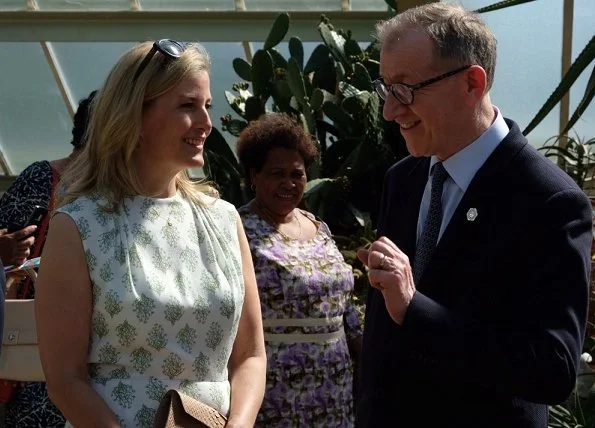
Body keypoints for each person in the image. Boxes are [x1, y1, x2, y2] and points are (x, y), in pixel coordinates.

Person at [356, 4, 592, 428]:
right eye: (386, 88)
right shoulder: (403, 179)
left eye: (406, 90)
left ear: (471, 83)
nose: (390, 111)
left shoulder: (549, 201)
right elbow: (383, 334)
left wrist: (417, 311)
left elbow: (552, 369)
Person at [34, 39, 266, 427]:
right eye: (188, 106)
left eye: (207, 106)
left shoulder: (225, 220)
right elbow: (65, 379)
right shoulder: (78, 226)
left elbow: (251, 356)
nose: (208, 123)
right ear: (135, 117)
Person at [236, 112, 363, 427]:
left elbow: (343, 306)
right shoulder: (236, 227)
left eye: (297, 174)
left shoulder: (320, 227)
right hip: (276, 391)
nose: (288, 183)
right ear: (254, 175)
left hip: (336, 386)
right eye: (277, 173)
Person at [0, 90, 96, 428]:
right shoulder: (42, 179)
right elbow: (5, 243)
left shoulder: (127, 194)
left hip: (98, 356)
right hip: (38, 357)